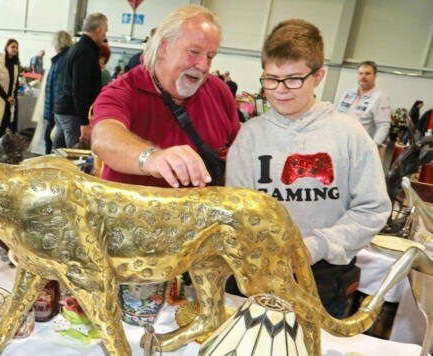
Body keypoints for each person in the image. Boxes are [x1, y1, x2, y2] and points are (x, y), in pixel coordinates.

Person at [226, 19, 391, 317]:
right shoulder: (249, 137)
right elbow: (236, 213)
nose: (280, 90)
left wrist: (317, 245)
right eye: (271, 79)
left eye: (293, 79)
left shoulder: (350, 134)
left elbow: (372, 208)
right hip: (255, 280)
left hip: (322, 284)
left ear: (319, 76)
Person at [91, 5, 239, 188]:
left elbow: (239, 151)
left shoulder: (220, 92)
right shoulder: (123, 90)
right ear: (163, 47)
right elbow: (104, 138)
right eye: (194, 52)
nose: (203, 65)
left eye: (210, 56)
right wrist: (152, 158)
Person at [54, 12, 108, 148]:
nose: (105, 35)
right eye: (105, 30)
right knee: (76, 158)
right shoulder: (85, 52)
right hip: (73, 114)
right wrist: (84, 122)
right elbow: (79, 89)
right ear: (99, 30)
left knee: (58, 153)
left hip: (65, 110)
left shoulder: (78, 48)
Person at [337, 60, 391, 147]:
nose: (363, 76)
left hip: (359, 146)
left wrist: (374, 146)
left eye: (367, 73)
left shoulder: (380, 98)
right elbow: (337, 115)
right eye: (360, 73)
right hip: (339, 141)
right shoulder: (347, 93)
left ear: (375, 76)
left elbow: (383, 125)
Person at [43, 30, 73, 154]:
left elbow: (58, 89)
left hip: (57, 111)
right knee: (52, 140)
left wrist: (52, 112)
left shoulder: (61, 61)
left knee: (51, 141)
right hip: (57, 110)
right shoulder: (64, 59)